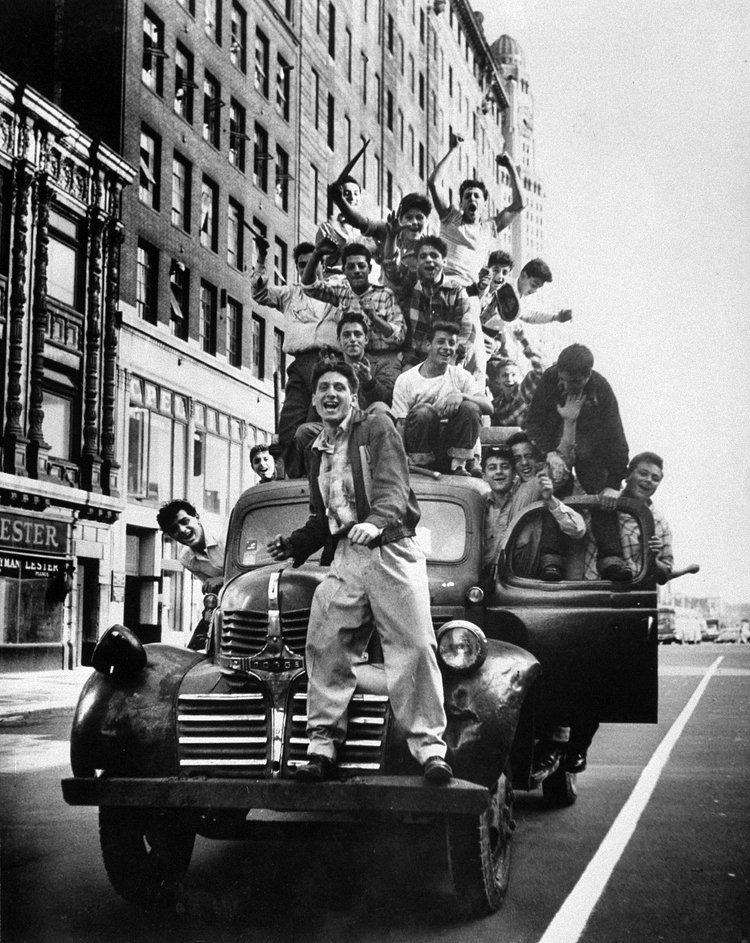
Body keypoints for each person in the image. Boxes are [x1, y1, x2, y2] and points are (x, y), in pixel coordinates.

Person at [267, 362, 452, 784]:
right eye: (323, 389)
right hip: (348, 554)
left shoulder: (376, 426)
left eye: (339, 387)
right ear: (315, 400)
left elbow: (394, 486)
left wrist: (377, 522)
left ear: (354, 396)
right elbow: (324, 517)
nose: (330, 394)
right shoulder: (317, 448)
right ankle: (322, 748)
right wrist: (295, 544)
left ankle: (430, 750)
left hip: (391, 549)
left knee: (414, 647)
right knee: (325, 642)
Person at [567, 451, 700, 774]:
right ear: (628, 473)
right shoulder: (601, 502)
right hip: (586, 596)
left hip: (626, 607)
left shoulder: (659, 521)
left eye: (655, 478)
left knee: (600, 682)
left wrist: (653, 558)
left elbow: (664, 573)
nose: (648, 481)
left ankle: (577, 747)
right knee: (567, 674)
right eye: (643, 473)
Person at [525, 344, 632, 581]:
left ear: (587, 375)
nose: (565, 386)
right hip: (558, 445)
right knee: (554, 490)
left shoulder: (601, 389)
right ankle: (551, 559)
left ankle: (611, 558)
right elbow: (533, 422)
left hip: (591, 452)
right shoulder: (549, 380)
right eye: (562, 380)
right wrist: (549, 452)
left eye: (573, 382)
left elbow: (617, 439)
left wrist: (613, 484)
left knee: (601, 491)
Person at [251, 240, 339, 478]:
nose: (305, 268)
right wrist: (261, 258)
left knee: (316, 423)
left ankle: (319, 475)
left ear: (322, 265)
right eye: (301, 265)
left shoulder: (336, 292)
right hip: (301, 364)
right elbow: (260, 293)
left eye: (311, 263)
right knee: (289, 426)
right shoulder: (290, 294)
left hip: (330, 364)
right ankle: (295, 477)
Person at [391, 322, 493, 475]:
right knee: (423, 412)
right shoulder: (406, 379)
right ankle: (422, 466)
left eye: (451, 343)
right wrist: (400, 456)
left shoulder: (461, 376)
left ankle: (459, 466)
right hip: (419, 452)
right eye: (440, 342)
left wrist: (462, 396)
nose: (447, 347)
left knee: (470, 407)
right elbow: (401, 424)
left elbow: (488, 407)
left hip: (451, 451)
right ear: (428, 345)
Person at [293, 312, 396, 459]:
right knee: (303, 432)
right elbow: (315, 411)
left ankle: (383, 463)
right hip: (335, 427)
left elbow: (388, 401)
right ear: (339, 341)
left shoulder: (381, 365)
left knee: (380, 408)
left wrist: (369, 381)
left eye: (357, 334)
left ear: (366, 339)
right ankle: (317, 470)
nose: (352, 339)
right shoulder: (330, 368)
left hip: (366, 427)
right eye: (346, 335)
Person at [301, 242, 406, 375]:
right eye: (351, 267)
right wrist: (316, 254)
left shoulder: (385, 294)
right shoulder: (342, 292)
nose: (356, 271)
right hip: (352, 361)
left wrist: (375, 318)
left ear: (369, 269)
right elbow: (309, 287)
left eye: (361, 266)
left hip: (383, 361)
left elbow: (399, 337)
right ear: (344, 270)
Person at [382, 233, 473, 368]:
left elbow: (466, 332)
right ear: (417, 262)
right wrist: (391, 237)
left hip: (446, 361)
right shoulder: (411, 285)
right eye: (423, 256)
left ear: (444, 261)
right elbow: (391, 266)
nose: (429, 260)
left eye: (434, 255)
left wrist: (451, 362)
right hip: (415, 362)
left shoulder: (456, 292)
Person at [156, 500, 225, 594]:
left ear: (197, 517)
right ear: (171, 536)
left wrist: (222, 580)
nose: (182, 530)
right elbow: (212, 588)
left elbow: (247, 569)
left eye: (185, 521)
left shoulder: (224, 535)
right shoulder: (186, 559)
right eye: (174, 529)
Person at [480, 258, 572, 328]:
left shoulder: (519, 299)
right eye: (534, 285)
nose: (534, 291)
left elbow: (530, 316)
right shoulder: (503, 285)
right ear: (523, 275)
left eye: (538, 288)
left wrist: (555, 317)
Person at [481, 447, 516, 572]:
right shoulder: (480, 504)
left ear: (514, 473)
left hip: (513, 576)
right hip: (485, 576)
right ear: (484, 476)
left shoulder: (522, 500)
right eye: (492, 468)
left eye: (505, 467)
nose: (499, 472)